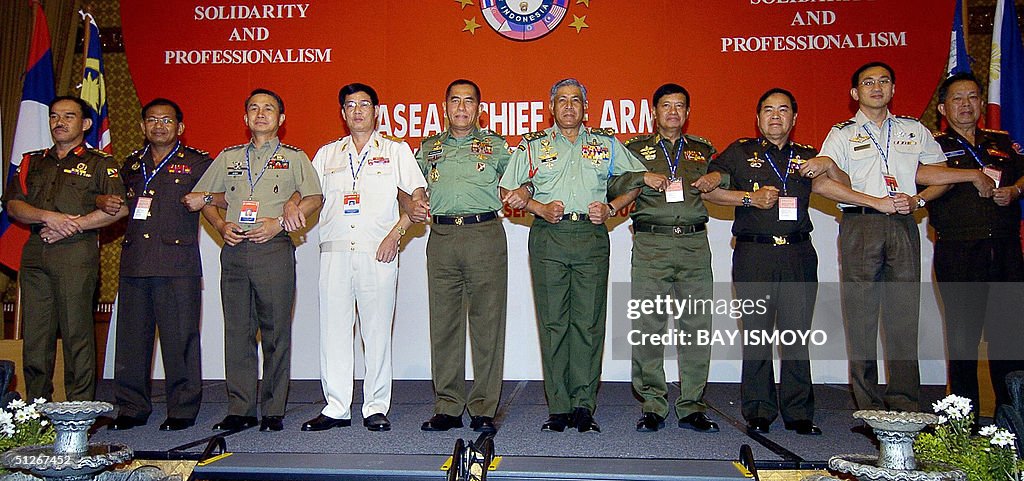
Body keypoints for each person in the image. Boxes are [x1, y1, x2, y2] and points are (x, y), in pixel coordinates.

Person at [705, 88, 897, 435]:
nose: (775, 116)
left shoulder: (808, 157)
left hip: (798, 254)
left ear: (794, 118)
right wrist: (748, 199)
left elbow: (841, 187)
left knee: (795, 335)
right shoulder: (739, 151)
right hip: (754, 255)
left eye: (783, 110)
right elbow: (709, 190)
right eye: (768, 110)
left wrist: (831, 165)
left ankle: (798, 412)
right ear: (758, 117)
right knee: (757, 335)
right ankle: (759, 410)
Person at [819, 62, 995, 411]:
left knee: (903, 317)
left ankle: (904, 403)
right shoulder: (841, 133)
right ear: (855, 93)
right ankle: (867, 404)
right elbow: (825, 181)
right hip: (861, 225)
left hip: (903, 225)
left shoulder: (913, 130)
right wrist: (876, 202)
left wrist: (917, 199)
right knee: (862, 318)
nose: (876, 87)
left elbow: (935, 174)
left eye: (884, 81)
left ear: (893, 89)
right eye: (868, 82)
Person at [498, 78, 654, 433]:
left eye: (576, 101)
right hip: (550, 238)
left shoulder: (605, 143)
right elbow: (508, 189)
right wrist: (537, 206)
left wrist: (612, 207)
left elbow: (638, 178)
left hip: (590, 237)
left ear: (586, 107)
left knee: (588, 322)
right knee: (554, 324)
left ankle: (584, 405)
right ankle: (559, 407)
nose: (569, 106)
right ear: (550, 107)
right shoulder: (533, 145)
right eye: (562, 101)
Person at [193, 88, 323, 432]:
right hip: (235, 251)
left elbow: (314, 197)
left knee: (276, 332)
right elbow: (205, 197)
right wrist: (220, 225)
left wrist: (279, 222)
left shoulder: (295, 158)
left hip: (273, 249)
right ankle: (240, 408)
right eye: (254, 109)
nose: (261, 114)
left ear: (281, 120)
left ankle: (274, 408)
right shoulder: (228, 157)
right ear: (245, 118)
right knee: (237, 332)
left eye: (269, 109)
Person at [301, 83, 426, 433]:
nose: (358, 111)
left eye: (365, 105)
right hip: (335, 253)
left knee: (376, 332)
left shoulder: (396, 151)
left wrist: (396, 233)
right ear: (342, 113)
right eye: (350, 105)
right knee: (334, 332)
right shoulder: (327, 154)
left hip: (379, 253)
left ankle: (375, 406)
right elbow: (311, 196)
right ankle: (336, 407)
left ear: (376, 112)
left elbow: (417, 197)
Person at [612, 83, 723, 433]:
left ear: (687, 113)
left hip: (693, 246)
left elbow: (730, 174)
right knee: (648, 327)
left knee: (697, 328)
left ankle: (691, 404)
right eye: (665, 106)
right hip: (651, 245)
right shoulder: (634, 149)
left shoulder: (703, 150)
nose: (672, 112)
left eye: (679, 106)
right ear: (654, 112)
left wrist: (720, 174)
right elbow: (613, 185)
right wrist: (640, 176)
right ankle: (653, 403)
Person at [2, 96, 125, 401]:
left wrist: (74, 225)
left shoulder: (100, 162)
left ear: (84, 124)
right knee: (36, 335)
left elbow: (119, 209)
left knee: (76, 334)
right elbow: (14, 205)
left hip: (75, 251)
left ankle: (79, 410)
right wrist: (49, 217)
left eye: (68, 117)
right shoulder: (33, 160)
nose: (59, 122)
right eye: (55, 116)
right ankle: (37, 408)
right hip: (36, 250)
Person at [103, 98, 212, 431]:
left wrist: (207, 199)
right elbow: (119, 205)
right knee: (132, 340)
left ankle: (182, 407)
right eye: (152, 120)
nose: (159, 126)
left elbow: (224, 193)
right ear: (142, 127)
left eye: (166, 120)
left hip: (177, 264)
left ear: (179, 127)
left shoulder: (198, 162)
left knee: (181, 339)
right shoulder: (132, 164)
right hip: (135, 261)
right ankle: (131, 406)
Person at [925, 72, 1024, 414]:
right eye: (957, 98)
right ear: (943, 107)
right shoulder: (932, 144)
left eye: (972, 97)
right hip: (959, 252)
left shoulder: (1001, 140)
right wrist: (969, 174)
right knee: (963, 341)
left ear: (982, 103)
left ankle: (1012, 420)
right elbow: (922, 175)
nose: (965, 105)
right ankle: (962, 426)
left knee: (1010, 340)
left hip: (1006, 252)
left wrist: (1016, 190)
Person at [417, 80, 512, 434]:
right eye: (454, 101)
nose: (461, 107)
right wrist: (410, 202)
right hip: (441, 237)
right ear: (445, 107)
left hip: (484, 235)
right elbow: (408, 187)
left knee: (487, 326)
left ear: (478, 108)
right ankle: (448, 406)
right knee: (444, 326)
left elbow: (525, 178)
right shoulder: (428, 149)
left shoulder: (498, 146)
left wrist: (520, 194)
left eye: (468, 101)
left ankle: (484, 407)